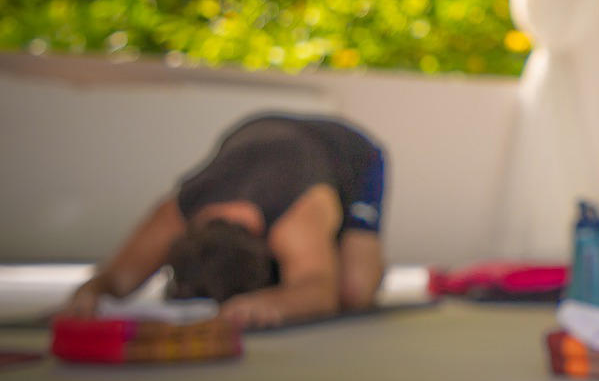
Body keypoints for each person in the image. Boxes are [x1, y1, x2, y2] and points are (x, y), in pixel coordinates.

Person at [63, 112, 389, 330]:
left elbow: (319, 291)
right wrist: (92, 293)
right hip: (261, 133)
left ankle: (330, 248)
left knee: (353, 292)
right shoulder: (178, 212)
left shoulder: (294, 217)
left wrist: (269, 302)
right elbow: (116, 278)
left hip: (349, 152)